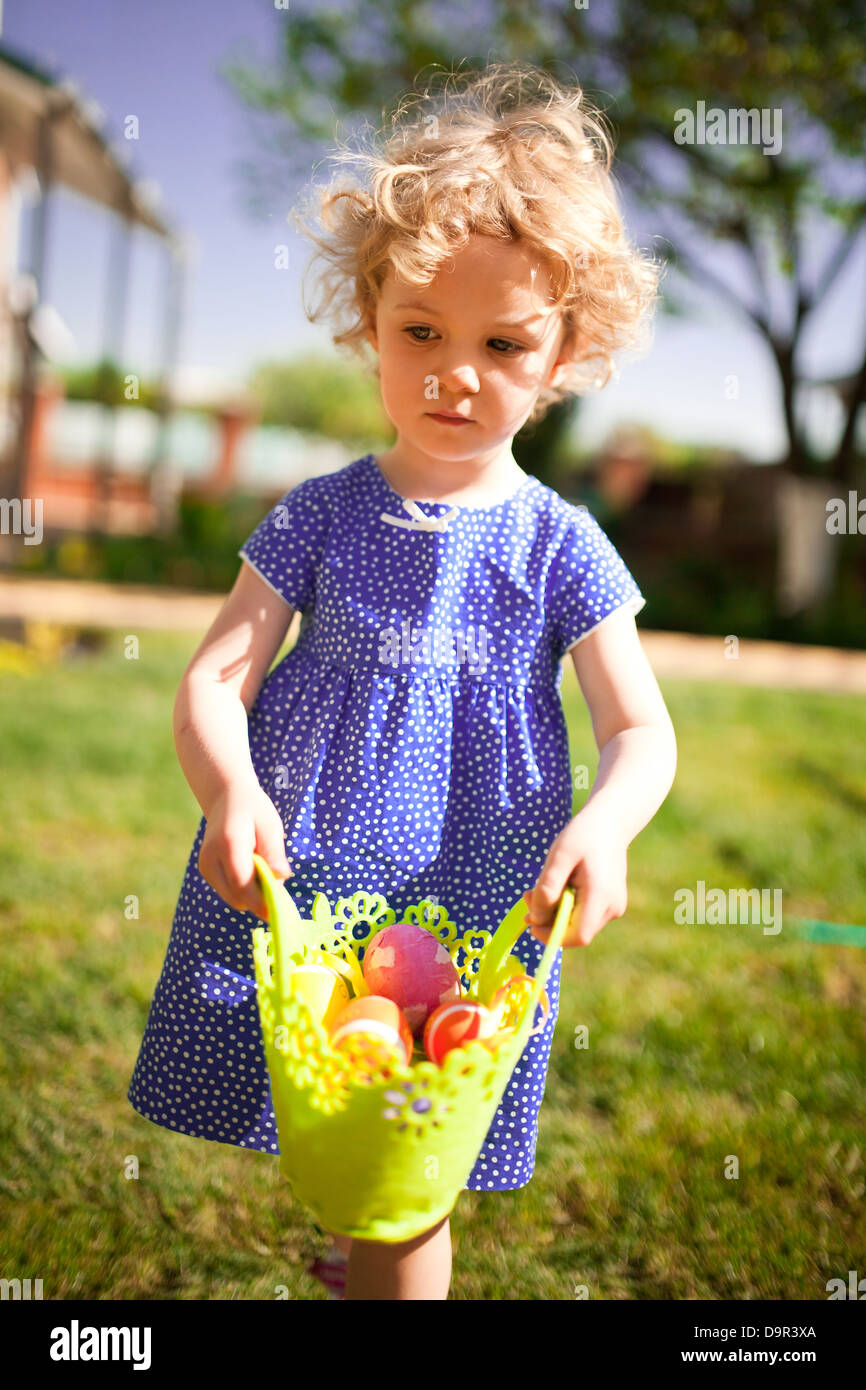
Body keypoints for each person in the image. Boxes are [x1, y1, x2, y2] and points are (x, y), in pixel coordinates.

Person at [127, 60, 677, 1301]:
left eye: (502, 342)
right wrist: (227, 791)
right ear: (366, 320)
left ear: (565, 354)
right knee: (340, 1121)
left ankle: (386, 1263)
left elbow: (638, 728)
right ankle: (365, 1247)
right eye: (418, 330)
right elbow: (218, 676)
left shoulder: (558, 544)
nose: (453, 371)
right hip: (306, 877)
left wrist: (606, 825)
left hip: (475, 897)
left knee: (411, 1163)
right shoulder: (319, 513)